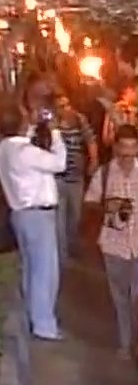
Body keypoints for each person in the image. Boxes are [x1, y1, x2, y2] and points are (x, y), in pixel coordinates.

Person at [84, 124, 138, 359]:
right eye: (124, 148)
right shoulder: (104, 174)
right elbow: (90, 203)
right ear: (115, 148)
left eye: (133, 148)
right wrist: (107, 208)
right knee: (120, 299)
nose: (128, 154)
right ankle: (126, 343)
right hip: (113, 246)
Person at [0, 101, 66, 340]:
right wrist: (56, 133)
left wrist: (35, 125)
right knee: (45, 271)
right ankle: (44, 325)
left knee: (31, 268)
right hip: (38, 214)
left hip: (20, 213)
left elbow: (24, 140)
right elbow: (59, 163)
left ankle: (34, 316)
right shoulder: (26, 153)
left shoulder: (5, 149)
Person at [55, 92, 98, 262]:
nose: (66, 108)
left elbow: (90, 140)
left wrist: (94, 160)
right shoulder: (52, 124)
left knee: (76, 216)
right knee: (59, 220)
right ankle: (62, 255)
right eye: (61, 106)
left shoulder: (79, 119)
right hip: (57, 178)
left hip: (76, 177)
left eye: (67, 104)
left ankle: (71, 245)